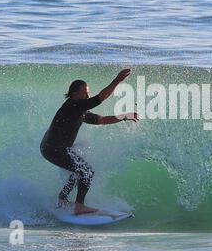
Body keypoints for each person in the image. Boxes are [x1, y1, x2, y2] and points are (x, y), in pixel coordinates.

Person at [40, 68, 139, 215]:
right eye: (85, 92)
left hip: (49, 148)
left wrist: (124, 116)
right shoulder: (73, 105)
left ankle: (62, 198)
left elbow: (102, 120)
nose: (88, 95)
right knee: (87, 172)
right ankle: (79, 206)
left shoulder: (79, 110)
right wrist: (117, 80)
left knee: (77, 171)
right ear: (75, 94)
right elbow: (101, 97)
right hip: (54, 148)